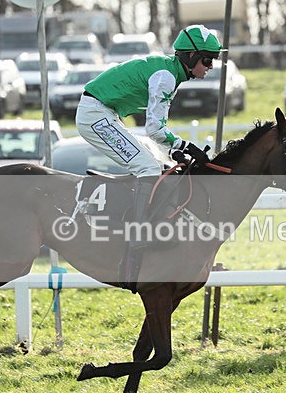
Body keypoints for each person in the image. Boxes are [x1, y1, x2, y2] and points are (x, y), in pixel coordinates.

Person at [75, 24, 219, 288]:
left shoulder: (171, 72)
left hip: (108, 113)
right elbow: (155, 128)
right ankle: (141, 232)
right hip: (95, 115)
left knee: (159, 164)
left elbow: (156, 130)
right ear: (190, 57)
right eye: (208, 59)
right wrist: (184, 146)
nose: (211, 66)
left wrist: (176, 149)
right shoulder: (166, 76)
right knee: (148, 169)